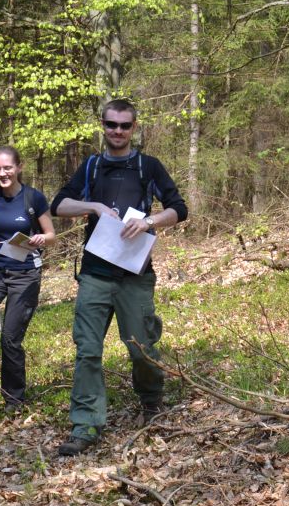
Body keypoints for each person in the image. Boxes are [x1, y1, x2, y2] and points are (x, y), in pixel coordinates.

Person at [51, 99, 188, 456]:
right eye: (111, 124)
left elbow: (179, 208)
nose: (117, 131)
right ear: (103, 125)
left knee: (141, 349)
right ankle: (85, 424)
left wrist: (149, 221)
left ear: (134, 127)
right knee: (88, 350)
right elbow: (59, 205)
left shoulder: (148, 166)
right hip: (95, 275)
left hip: (135, 275)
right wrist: (93, 206)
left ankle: (152, 402)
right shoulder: (92, 166)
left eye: (125, 125)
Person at [0, 146, 56, 413]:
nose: (2, 173)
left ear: (18, 168)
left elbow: (51, 236)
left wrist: (41, 238)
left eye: (7, 168)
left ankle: (13, 399)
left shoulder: (33, 198)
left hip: (26, 275)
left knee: (10, 338)